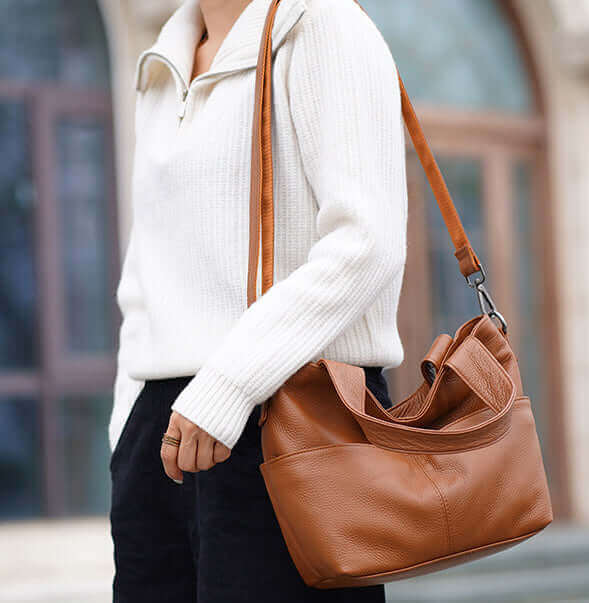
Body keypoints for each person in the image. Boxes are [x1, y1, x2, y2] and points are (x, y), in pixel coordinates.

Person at [108, 0, 408, 600]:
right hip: (161, 436)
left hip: (289, 413)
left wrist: (230, 385)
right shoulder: (162, 60)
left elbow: (366, 241)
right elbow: (145, 272)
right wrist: (125, 429)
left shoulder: (323, 25)